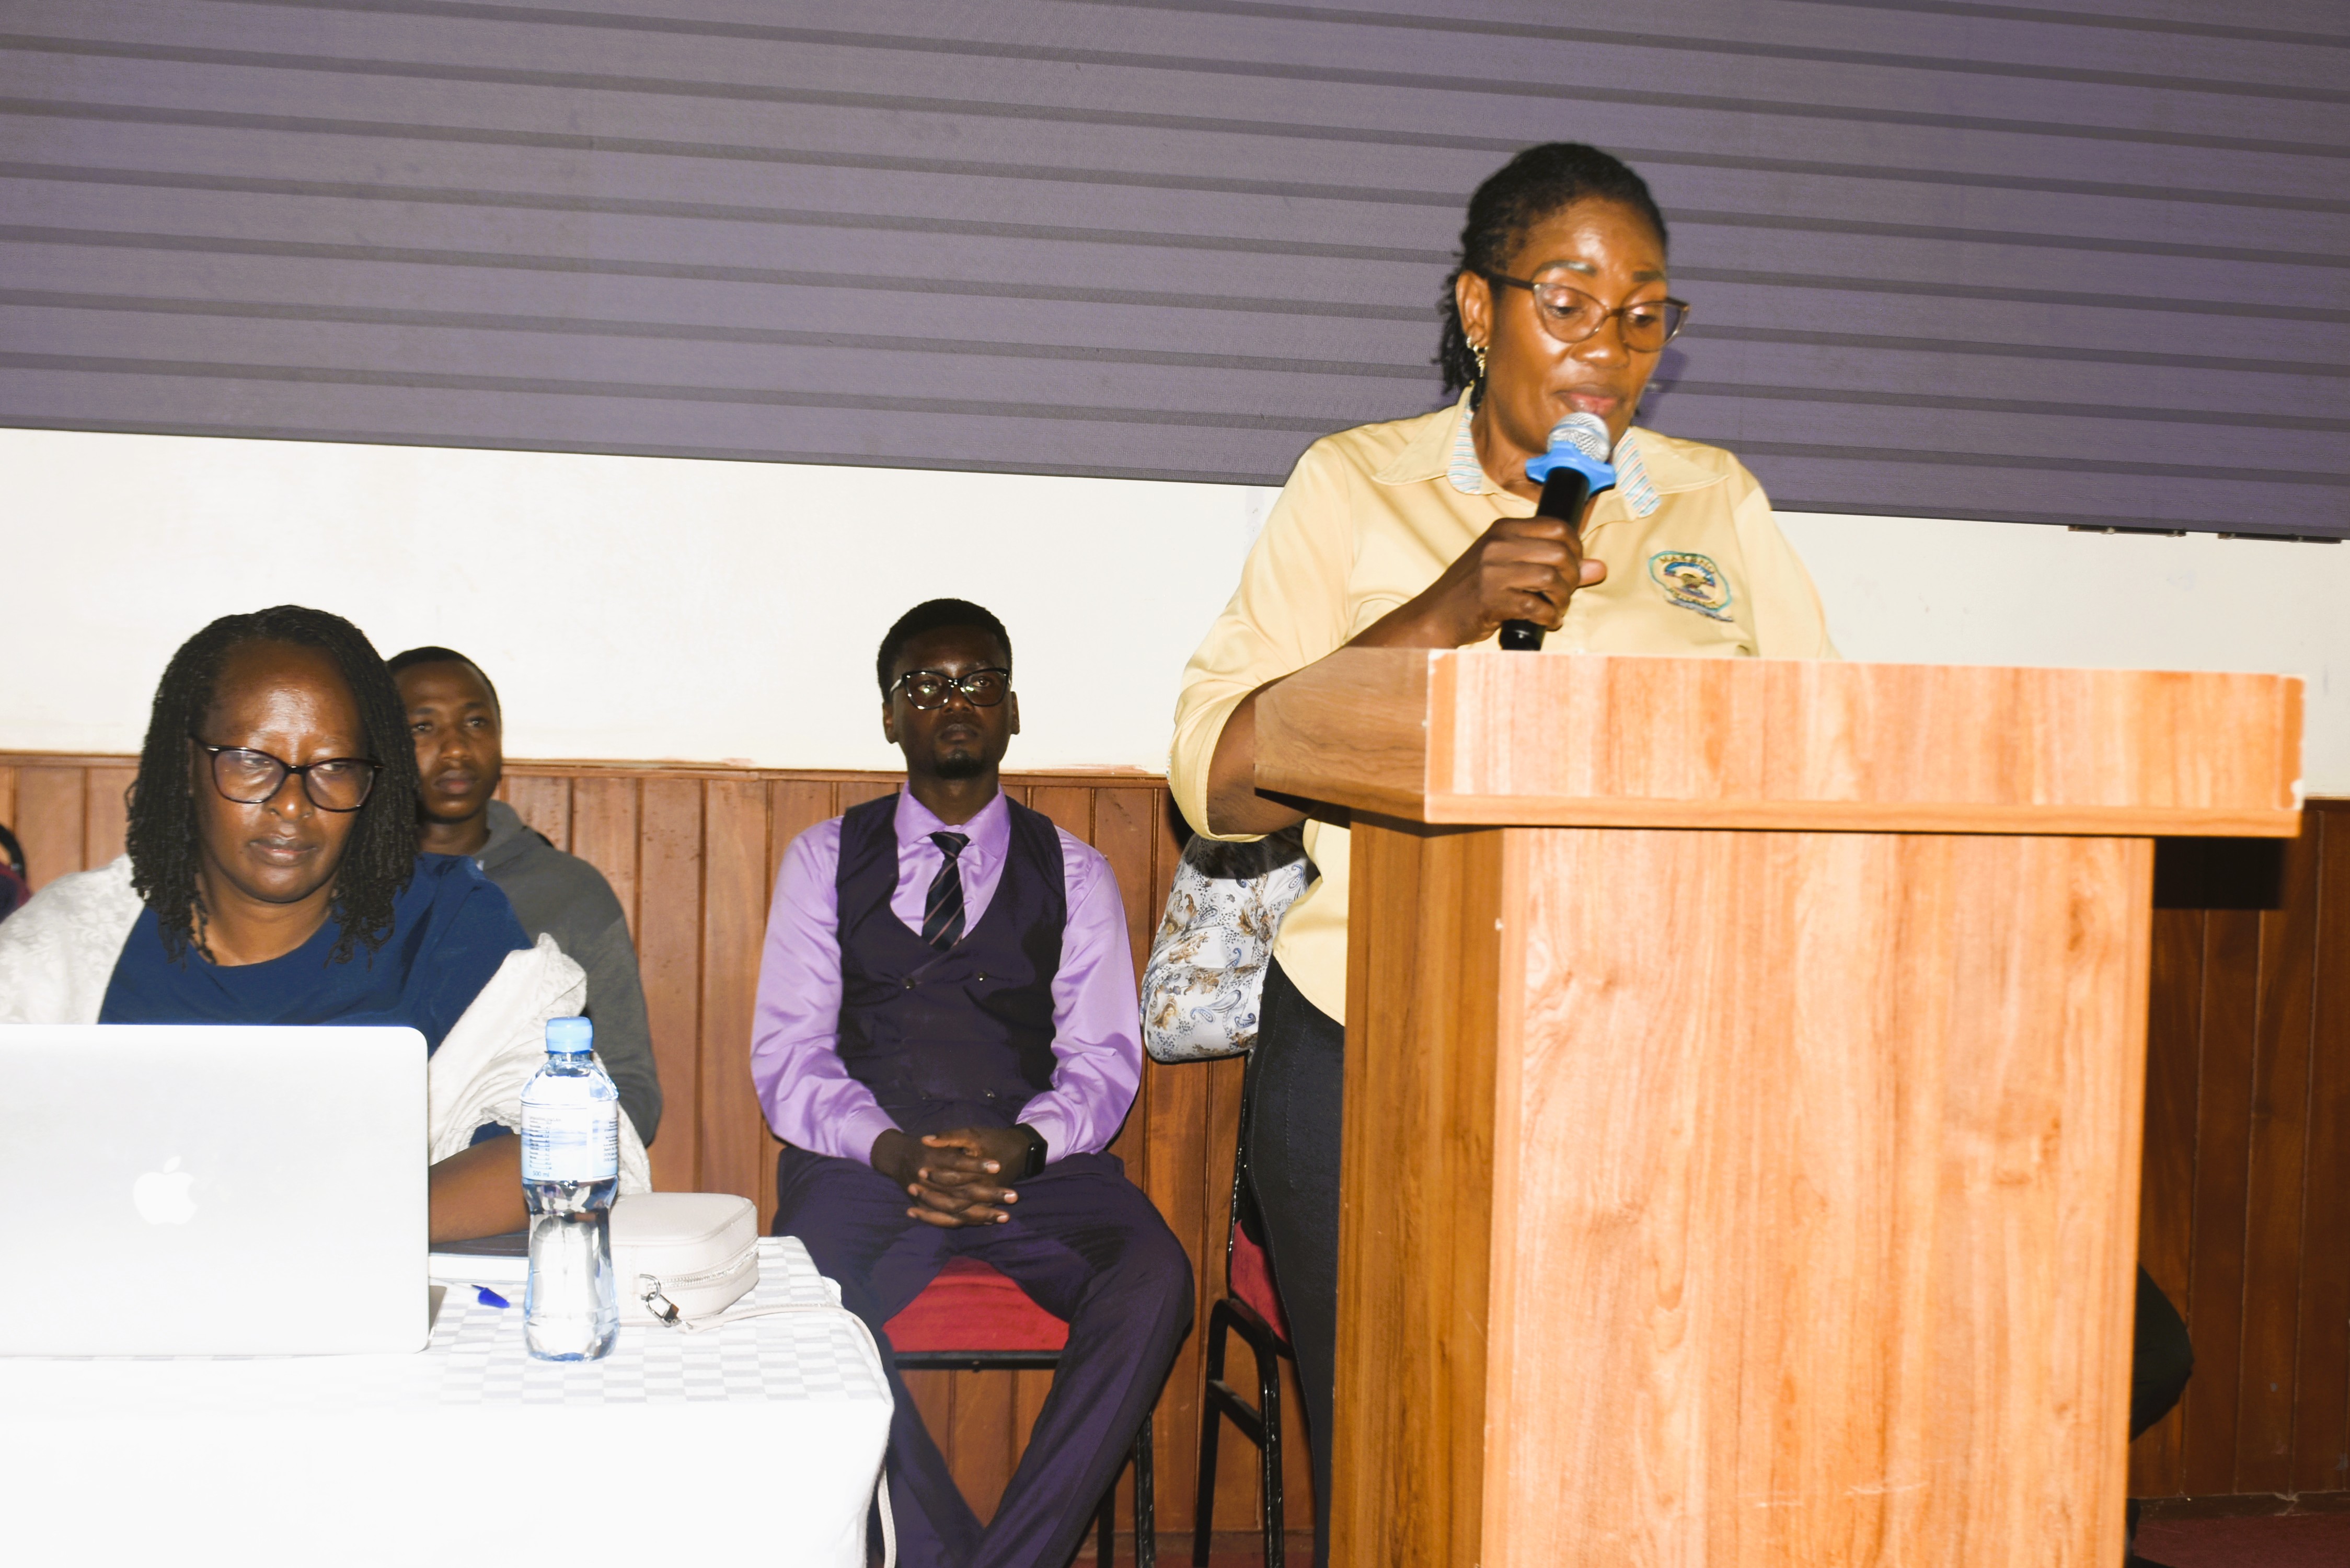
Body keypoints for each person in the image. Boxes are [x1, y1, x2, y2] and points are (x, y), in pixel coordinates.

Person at [1168, 142, 1838, 1565]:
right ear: (1479, 309)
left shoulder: (1712, 503)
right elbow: (1222, 779)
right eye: (1570, 302)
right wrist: (1443, 611)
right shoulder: (1354, 486)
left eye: (1644, 313)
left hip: (1650, 1058)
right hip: (1375, 1044)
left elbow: (1827, 769)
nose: (1610, 348)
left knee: (1615, 1456)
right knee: (1399, 1462)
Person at [753, 598, 1190, 1568]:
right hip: (869, 1162)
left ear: (1012, 709)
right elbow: (791, 1057)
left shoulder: (1076, 871)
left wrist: (1025, 1146)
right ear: (889, 716)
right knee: (805, 1289)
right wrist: (892, 1149)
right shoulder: (823, 860)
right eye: (925, 685)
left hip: (1033, 1162)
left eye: (979, 682)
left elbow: (1103, 1059)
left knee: (1154, 1278)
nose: (954, 702)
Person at [0, 606, 649, 1238]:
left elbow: (574, 1145)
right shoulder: (68, 947)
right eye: (252, 760)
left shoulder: (447, 926)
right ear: (186, 766)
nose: (293, 804)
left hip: (363, 1294)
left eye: (334, 767)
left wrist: (323, 1229)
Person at [388, 645, 664, 1146]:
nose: (455, 749)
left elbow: (632, 1085)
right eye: (422, 728)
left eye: (476, 723)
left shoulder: (572, 891)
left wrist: (554, 1153)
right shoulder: (341, 893)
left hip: (531, 1164)